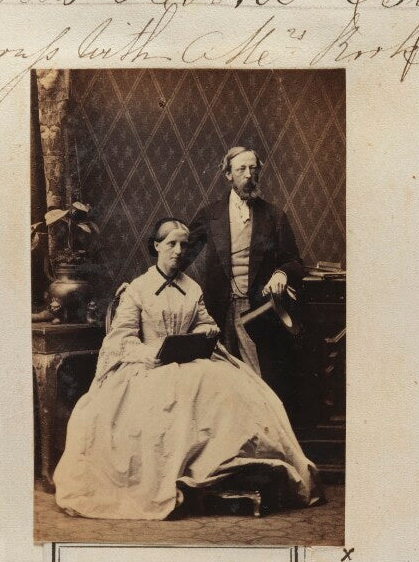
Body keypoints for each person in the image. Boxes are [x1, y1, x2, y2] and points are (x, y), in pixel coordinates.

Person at [53, 218, 321, 520]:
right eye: (171, 244)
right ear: (157, 246)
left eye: (183, 244)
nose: (179, 251)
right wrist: (153, 353)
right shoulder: (138, 289)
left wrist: (206, 332)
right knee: (172, 404)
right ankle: (188, 479)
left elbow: (204, 323)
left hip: (191, 362)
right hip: (150, 367)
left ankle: (228, 472)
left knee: (236, 390)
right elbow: (121, 340)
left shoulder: (191, 288)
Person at [184, 147, 305, 413]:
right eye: (241, 169)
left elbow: (295, 262)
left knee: (257, 380)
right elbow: (180, 255)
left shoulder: (274, 216)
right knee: (219, 379)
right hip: (217, 309)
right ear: (228, 174)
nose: (249, 175)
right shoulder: (211, 214)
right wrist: (148, 282)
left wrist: (281, 273)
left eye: (253, 169)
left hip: (257, 310)